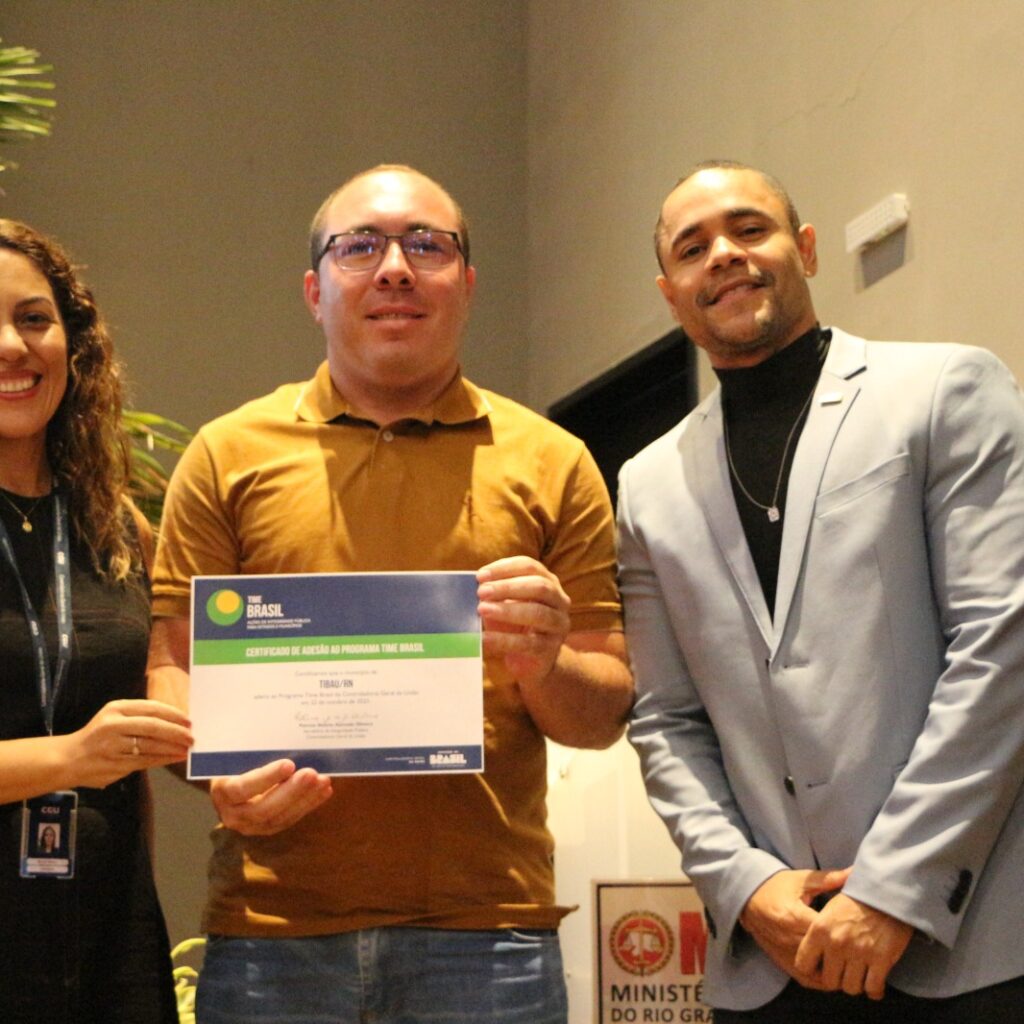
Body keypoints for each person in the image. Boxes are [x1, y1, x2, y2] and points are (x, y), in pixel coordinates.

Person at [147, 164, 632, 1023]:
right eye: (360, 246)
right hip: (272, 933)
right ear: (314, 290)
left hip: (488, 938)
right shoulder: (226, 455)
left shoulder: (555, 462)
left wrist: (545, 660)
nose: (396, 268)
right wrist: (213, 771)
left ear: (468, 285)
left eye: (428, 246)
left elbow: (599, 718)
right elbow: (175, 671)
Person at [618, 160, 1024, 1022]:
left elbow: (1002, 644)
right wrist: (743, 883)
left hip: (965, 945)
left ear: (804, 248)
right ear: (671, 293)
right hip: (775, 957)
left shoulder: (945, 389)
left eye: (749, 229)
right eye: (693, 248)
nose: (723, 255)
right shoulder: (646, 485)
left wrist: (892, 888)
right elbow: (664, 718)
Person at [0, 220, 194, 1022]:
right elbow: (92, 751)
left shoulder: (118, 527)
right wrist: (72, 758)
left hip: (109, 937)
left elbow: (163, 685)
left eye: (34, 319)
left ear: (74, 345)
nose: (11, 346)